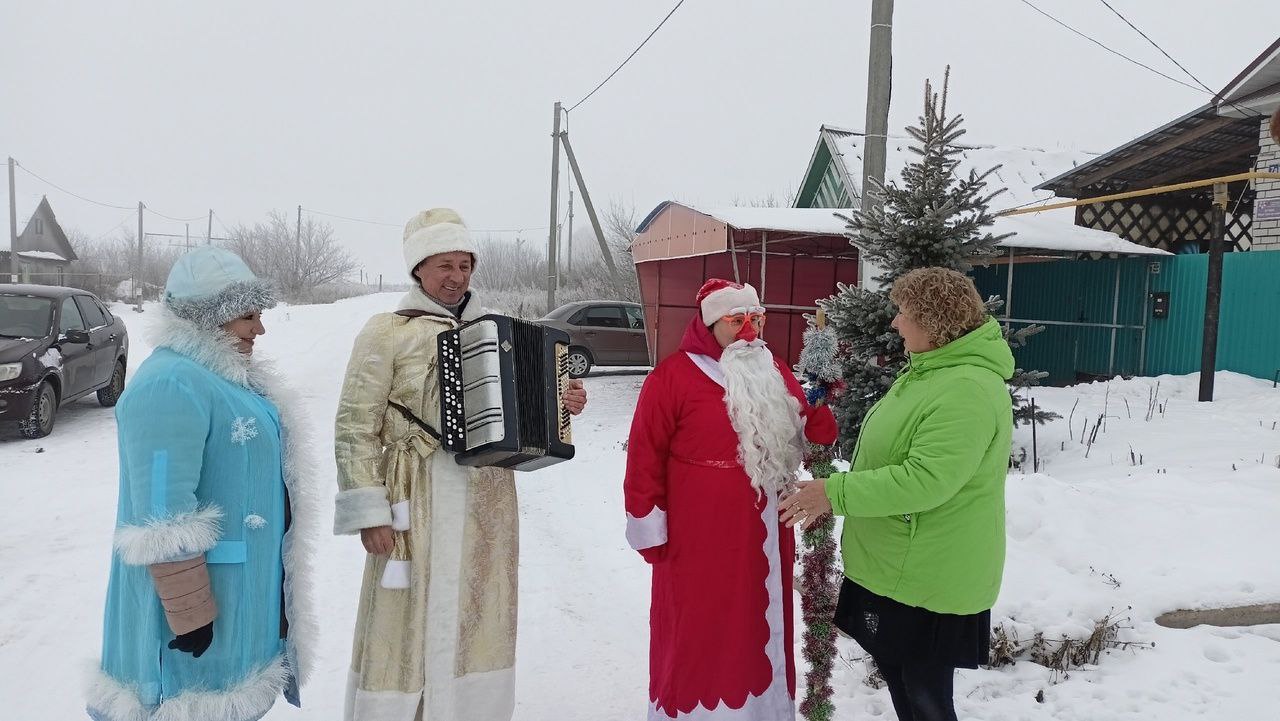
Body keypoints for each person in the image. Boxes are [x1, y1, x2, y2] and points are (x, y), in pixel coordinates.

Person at [334, 208, 587, 721]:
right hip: (414, 498)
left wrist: (564, 399)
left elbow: (528, 404)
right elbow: (354, 425)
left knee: (480, 613)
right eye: (444, 264)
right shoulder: (387, 332)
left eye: (465, 264)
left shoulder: (495, 330)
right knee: (405, 617)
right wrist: (369, 511)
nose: (456, 276)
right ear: (419, 269)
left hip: (487, 501)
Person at [87, 247, 319, 721]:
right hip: (191, 615)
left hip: (237, 590)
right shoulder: (170, 384)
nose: (260, 328)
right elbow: (162, 512)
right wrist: (189, 612)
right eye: (247, 317)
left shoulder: (224, 377)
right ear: (209, 317)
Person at [779, 267, 1014, 721]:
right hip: (902, 566)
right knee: (905, 682)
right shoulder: (932, 372)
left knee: (924, 694)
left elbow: (927, 479)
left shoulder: (966, 388)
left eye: (903, 313)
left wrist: (835, 492)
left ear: (934, 321)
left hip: (931, 574)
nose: (894, 323)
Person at [624, 278, 838, 720]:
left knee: (756, 625)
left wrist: (819, 407)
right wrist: (648, 524)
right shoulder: (673, 376)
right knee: (698, 625)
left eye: (755, 319)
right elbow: (645, 454)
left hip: (763, 530)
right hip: (696, 531)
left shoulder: (772, 370)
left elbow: (813, 431)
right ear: (709, 324)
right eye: (735, 320)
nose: (748, 331)